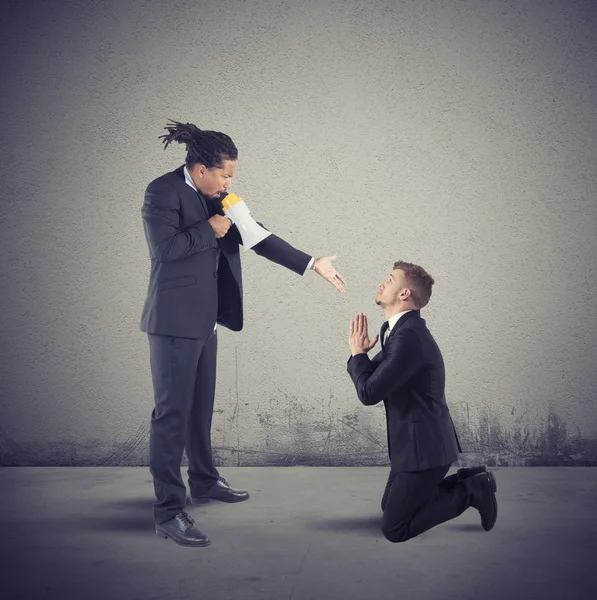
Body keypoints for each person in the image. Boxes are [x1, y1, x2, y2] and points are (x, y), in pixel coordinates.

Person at [140, 120, 346, 547]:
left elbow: (258, 238)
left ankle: (205, 481)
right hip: (175, 323)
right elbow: (164, 250)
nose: (230, 182)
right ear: (199, 170)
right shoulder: (162, 192)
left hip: (207, 321)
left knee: (199, 411)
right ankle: (168, 512)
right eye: (225, 174)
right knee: (171, 415)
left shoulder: (222, 197)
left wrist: (312, 264)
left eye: (232, 175)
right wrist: (208, 230)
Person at [346, 261, 497, 542]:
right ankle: (470, 478)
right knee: (388, 507)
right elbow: (375, 377)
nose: (382, 283)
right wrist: (362, 357)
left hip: (425, 451)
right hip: (411, 446)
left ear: (404, 294)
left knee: (394, 529)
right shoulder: (397, 331)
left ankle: (472, 490)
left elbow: (369, 392)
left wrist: (357, 355)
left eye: (389, 280)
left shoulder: (409, 338)